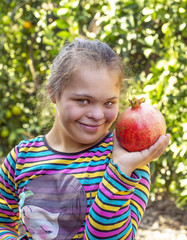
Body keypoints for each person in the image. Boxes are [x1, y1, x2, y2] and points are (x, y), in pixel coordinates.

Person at [0, 38, 170, 240]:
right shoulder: (21, 158)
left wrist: (120, 173)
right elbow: (3, 221)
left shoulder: (128, 164)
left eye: (108, 103)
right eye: (83, 100)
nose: (97, 115)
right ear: (53, 93)